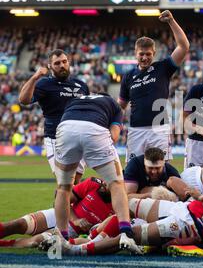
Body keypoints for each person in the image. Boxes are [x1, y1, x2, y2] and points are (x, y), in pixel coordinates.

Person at [49, 156, 203, 256]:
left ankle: (77, 249)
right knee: (130, 205)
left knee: (130, 235)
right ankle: (92, 239)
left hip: (188, 224)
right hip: (183, 210)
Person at [53, 93, 136, 250]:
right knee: (117, 184)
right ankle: (126, 233)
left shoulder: (75, 100)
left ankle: (61, 238)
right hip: (94, 130)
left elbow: (68, 124)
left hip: (65, 129)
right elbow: (114, 136)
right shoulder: (114, 105)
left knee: (63, 188)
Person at [118, 10, 190, 162]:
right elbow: (121, 106)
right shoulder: (128, 76)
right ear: (135, 53)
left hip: (159, 129)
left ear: (154, 53)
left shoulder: (162, 68)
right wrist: (114, 125)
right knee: (133, 174)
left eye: (148, 54)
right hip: (136, 130)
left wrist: (171, 21)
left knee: (161, 171)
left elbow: (183, 47)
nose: (144, 57)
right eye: (141, 54)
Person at [19, 49, 90, 184]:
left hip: (78, 139)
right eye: (57, 63)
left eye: (64, 62)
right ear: (50, 66)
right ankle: (61, 206)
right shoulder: (44, 83)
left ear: (69, 63)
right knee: (64, 181)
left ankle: (70, 206)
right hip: (56, 138)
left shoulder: (81, 85)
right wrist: (35, 77)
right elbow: (23, 100)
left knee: (76, 182)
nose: (62, 65)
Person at [0, 177, 113, 248]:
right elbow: (62, 199)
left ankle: (5, 245)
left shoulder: (119, 206)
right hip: (62, 213)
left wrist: (88, 231)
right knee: (21, 224)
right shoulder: (93, 183)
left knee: (34, 242)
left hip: (72, 233)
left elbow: (100, 233)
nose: (104, 184)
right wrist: (75, 219)